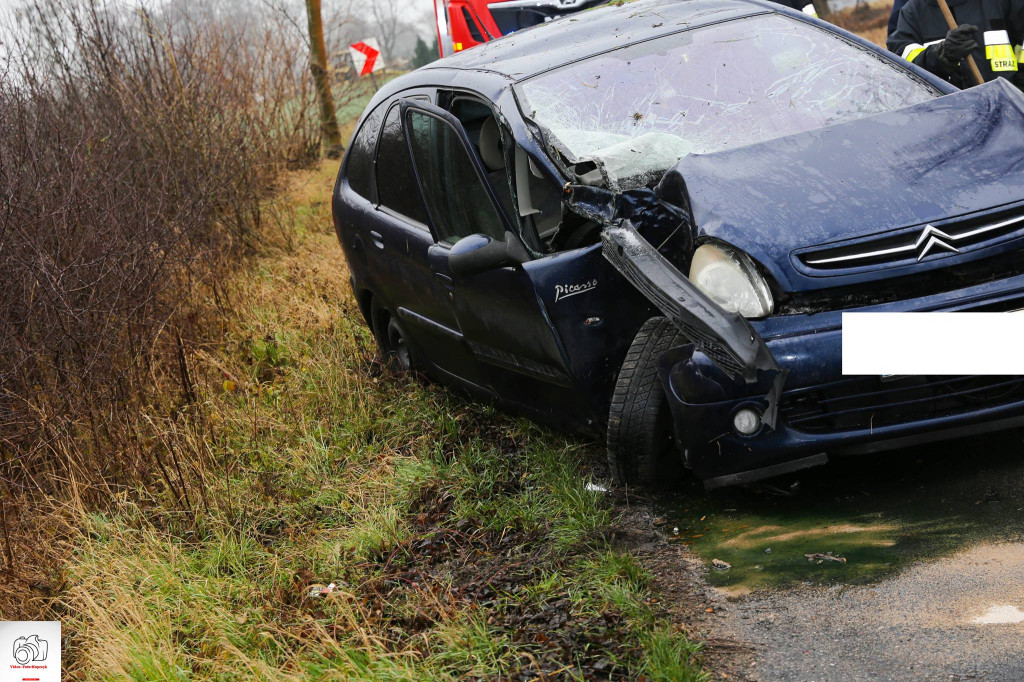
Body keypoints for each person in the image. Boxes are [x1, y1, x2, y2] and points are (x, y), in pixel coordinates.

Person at [888, 0, 1024, 89]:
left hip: (1007, 105)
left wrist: (1020, 84)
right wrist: (939, 56)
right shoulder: (913, 12)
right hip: (949, 115)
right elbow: (901, 66)